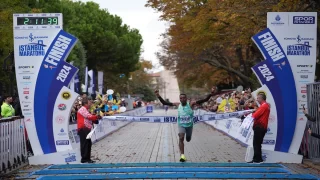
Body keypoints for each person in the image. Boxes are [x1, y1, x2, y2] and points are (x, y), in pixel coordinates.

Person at [155, 87, 218, 162]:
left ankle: (188, 136)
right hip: (181, 124)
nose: (182, 99)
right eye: (181, 98)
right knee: (181, 137)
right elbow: (165, 103)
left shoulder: (191, 104)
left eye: (184, 98)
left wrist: (211, 94)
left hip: (189, 125)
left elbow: (204, 100)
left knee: (188, 139)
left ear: (186, 98)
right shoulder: (178, 105)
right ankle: (182, 156)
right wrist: (158, 95)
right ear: (180, 99)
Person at [247, 93, 270, 164]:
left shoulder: (264, 106)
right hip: (261, 126)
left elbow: (255, 115)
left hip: (259, 127)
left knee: (256, 143)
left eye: (258, 98)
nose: (257, 100)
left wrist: (252, 113)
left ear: (261, 98)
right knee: (258, 143)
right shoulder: (265, 106)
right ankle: (258, 159)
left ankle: (257, 159)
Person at [77, 97, 101, 163]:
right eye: (89, 102)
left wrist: (95, 120)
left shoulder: (86, 109)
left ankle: (87, 158)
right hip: (83, 128)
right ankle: (84, 159)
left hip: (86, 128)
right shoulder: (82, 109)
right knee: (85, 143)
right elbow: (89, 116)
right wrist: (96, 117)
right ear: (85, 103)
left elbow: (89, 118)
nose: (91, 104)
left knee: (88, 143)